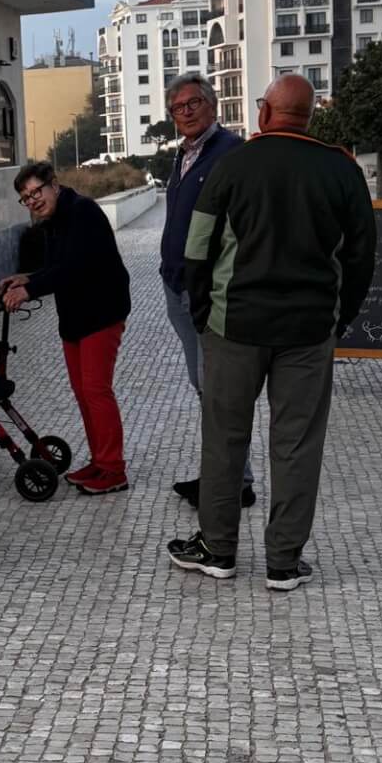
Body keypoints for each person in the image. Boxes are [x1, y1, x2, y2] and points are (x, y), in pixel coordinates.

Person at [166, 74, 377, 591]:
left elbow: (197, 249)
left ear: (264, 113)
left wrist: (204, 316)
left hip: (234, 327)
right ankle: (284, 561)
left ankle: (218, 550)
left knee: (224, 439)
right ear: (310, 115)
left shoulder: (231, 164)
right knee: (297, 444)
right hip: (309, 332)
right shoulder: (342, 169)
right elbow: (362, 256)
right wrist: (338, 318)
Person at [0, 161, 131, 494]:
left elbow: (76, 267)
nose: (33, 201)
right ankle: (100, 461)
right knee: (83, 392)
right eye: (26, 198)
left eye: (36, 192)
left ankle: (113, 470)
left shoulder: (82, 212)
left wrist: (30, 291)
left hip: (101, 314)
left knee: (96, 391)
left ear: (54, 185)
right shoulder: (54, 221)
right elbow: (56, 267)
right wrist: (28, 278)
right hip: (75, 318)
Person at [157, 72, 254, 511]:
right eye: (178, 108)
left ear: (212, 104)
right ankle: (229, 476)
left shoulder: (231, 152)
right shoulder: (183, 155)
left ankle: (232, 482)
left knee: (217, 390)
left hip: (210, 290)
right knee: (205, 387)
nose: (186, 112)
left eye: (193, 103)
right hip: (177, 285)